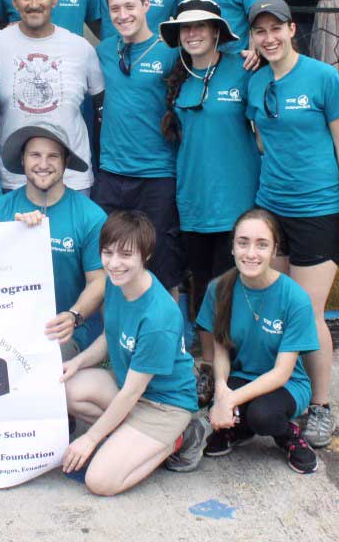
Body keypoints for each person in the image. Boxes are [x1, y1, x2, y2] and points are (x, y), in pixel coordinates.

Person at [245, 0, 339, 449]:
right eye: (260, 31)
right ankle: (277, 390)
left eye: (277, 28)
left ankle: (320, 407)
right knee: (273, 309)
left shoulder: (322, 77)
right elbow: (260, 142)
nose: (269, 37)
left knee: (307, 313)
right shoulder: (256, 84)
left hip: (318, 211)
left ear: (294, 29)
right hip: (271, 209)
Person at [61, 210, 207, 495]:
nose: (114, 264)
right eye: (108, 252)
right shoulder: (116, 283)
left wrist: (90, 439)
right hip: (129, 386)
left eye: (126, 255)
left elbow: (131, 393)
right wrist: (76, 362)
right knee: (67, 389)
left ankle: (183, 437)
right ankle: (128, 438)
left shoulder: (158, 317)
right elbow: (109, 335)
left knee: (100, 481)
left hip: (164, 405)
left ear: (145, 255)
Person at [159, 0, 260, 404]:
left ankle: (239, 377)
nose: (193, 34)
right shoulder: (176, 79)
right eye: (185, 28)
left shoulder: (245, 69)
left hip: (239, 208)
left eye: (201, 26)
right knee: (202, 297)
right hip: (194, 206)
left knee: (236, 298)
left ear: (218, 31)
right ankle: (207, 373)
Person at [196, 208, 321, 474]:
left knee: (263, 415)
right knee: (213, 402)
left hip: (287, 384)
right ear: (232, 247)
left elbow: (281, 373)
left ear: (275, 251)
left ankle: (288, 436)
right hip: (241, 375)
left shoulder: (294, 298)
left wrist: (228, 403)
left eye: (262, 245)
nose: (251, 253)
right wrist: (220, 391)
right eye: (243, 243)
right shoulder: (219, 288)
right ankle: (239, 430)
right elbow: (220, 353)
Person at [92, 0, 185, 300]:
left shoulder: (172, 51)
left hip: (157, 175)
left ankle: (171, 341)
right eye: (115, 8)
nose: (122, 14)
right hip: (112, 173)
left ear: (146, 6)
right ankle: (118, 339)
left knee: (161, 262)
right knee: (110, 260)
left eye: (130, 6)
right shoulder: (104, 50)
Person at [0, 122, 106, 356]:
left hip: (61, 336)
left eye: (53, 156)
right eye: (35, 155)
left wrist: (73, 316)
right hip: (2, 329)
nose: (43, 164)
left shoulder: (91, 216)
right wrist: (12, 235)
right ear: (22, 160)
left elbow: (98, 281)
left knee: (46, 361)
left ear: (65, 162)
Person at [0, 0, 104, 193]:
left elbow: (101, 110)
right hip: (14, 179)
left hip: (72, 180)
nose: (34, 3)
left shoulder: (81, 48)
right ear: (14, 1)